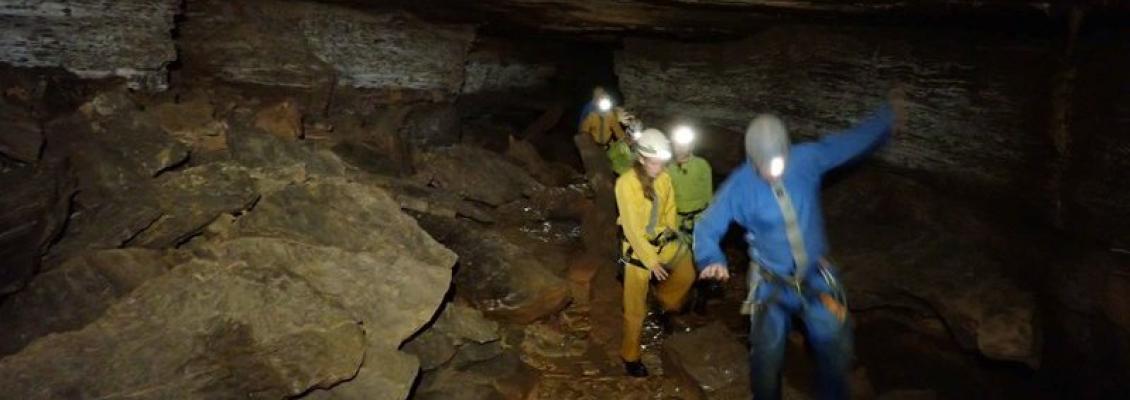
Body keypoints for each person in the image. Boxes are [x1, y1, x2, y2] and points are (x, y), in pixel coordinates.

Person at [694, 88, 906, 400]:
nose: (773, 171)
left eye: (778, 162)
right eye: (765, 165)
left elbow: (849, 142)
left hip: (815, 278)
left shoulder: (806, 159)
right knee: (766, 357)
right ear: (753, 159)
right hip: (770, 284)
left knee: (836, 348)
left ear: (787, 151)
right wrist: (711, 257)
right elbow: (706, 226)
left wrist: (888, 117)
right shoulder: (739, 188)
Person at [615, 128, 696, 377]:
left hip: (662, 241)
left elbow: (670, 209)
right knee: (635, 309)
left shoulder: (663, 177)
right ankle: (630, 356)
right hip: (637, 250)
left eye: (662, 162)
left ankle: (664, 303)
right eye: (653, 162)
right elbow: (632, 228)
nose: (658, 167)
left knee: (687, 270)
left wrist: (674, 234)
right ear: (641, 158)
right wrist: (651, 261)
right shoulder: (626, 184)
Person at [665, 125, 717, 314]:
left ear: (691, 145)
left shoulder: (702, 166)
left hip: (699, 221)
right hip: (678, 222)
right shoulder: (667, 169)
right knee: (680, 263)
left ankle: (701, 298)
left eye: (685, 144)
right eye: (678, 144)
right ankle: (679, 299)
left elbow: (708, 196)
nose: (681, 148)